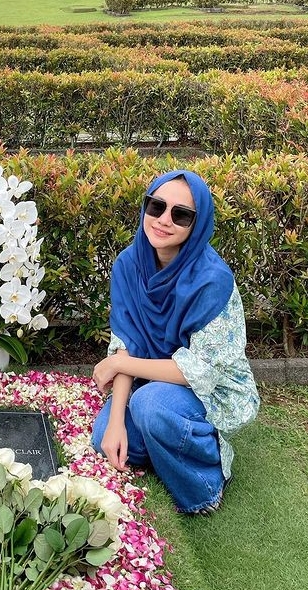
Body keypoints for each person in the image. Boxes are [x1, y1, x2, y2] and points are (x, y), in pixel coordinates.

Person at [91, 170, 259, 515]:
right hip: (151, 379)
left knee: (151, 405)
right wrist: (117, 420)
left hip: (206, 389)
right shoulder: (129, 264)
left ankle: (204, 487)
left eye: (180, 215)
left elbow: (201, 370)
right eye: (156, 207)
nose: (164, 220)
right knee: (105, 435)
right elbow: (127, 343)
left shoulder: (212, 281)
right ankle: (167, 439)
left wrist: (122, 365)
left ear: (196, 225)